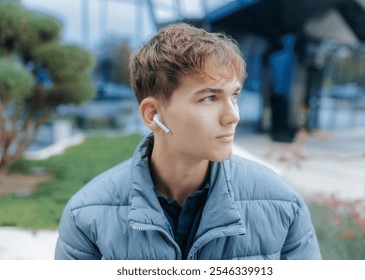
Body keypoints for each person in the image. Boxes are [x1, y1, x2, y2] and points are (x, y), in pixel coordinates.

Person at [55, 23, 321, 260]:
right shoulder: (87, 217)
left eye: (234, 95)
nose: (233, 116)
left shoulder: (283, 204)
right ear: (153, 114)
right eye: (209, 98)